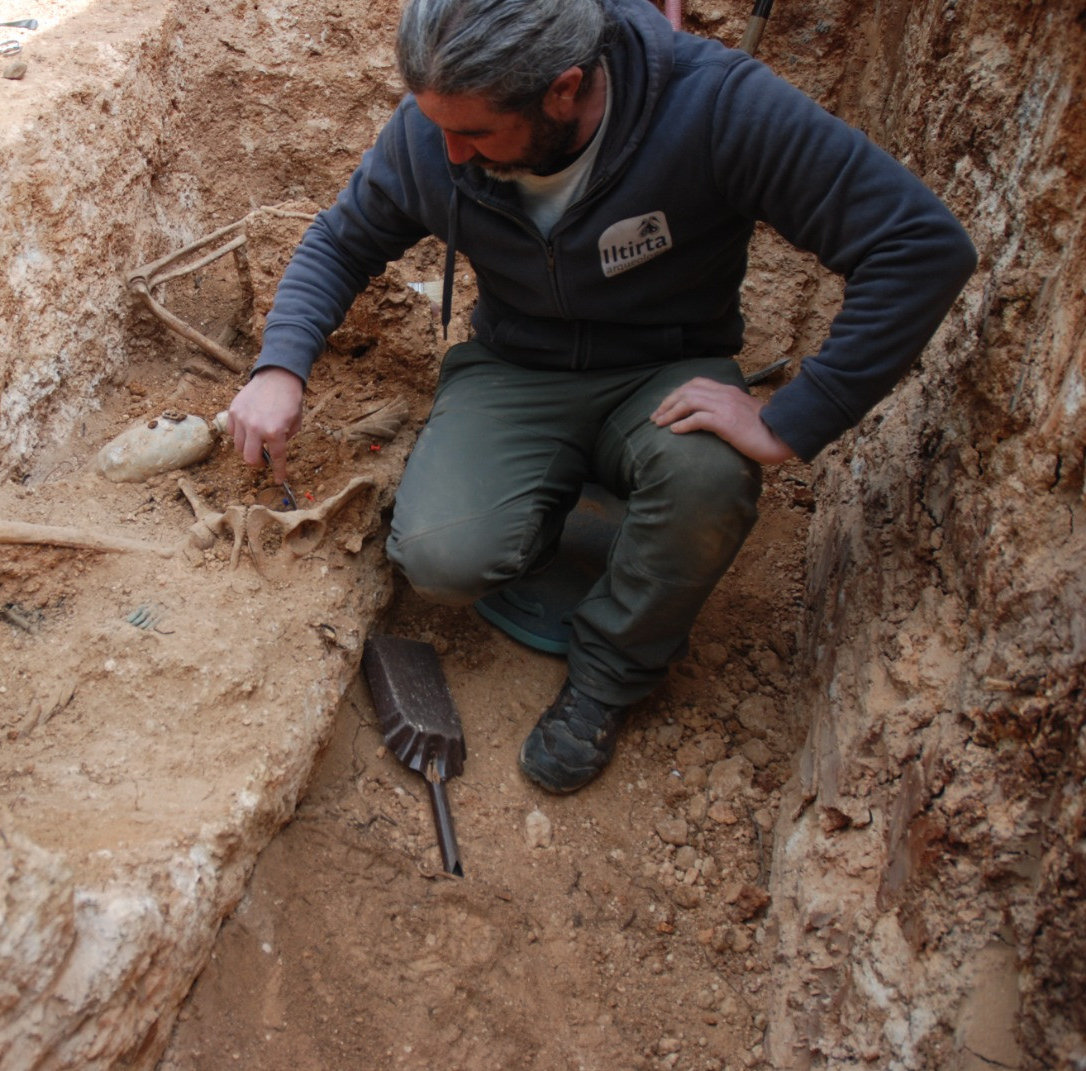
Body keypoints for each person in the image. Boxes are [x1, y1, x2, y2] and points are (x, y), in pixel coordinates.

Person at [226, 0, 976, 793]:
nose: (449, 151)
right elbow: (342, 239)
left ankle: (611, 670)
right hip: (518, 366)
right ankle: (557, 501)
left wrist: (796, 416)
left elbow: (918, 245)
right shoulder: (436, 129)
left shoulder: (714, 105)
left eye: (475, 135)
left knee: (706, 482)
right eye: (437, 125)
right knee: (442, 559)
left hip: (666, 369)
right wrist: (281, 366)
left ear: (564, 89)